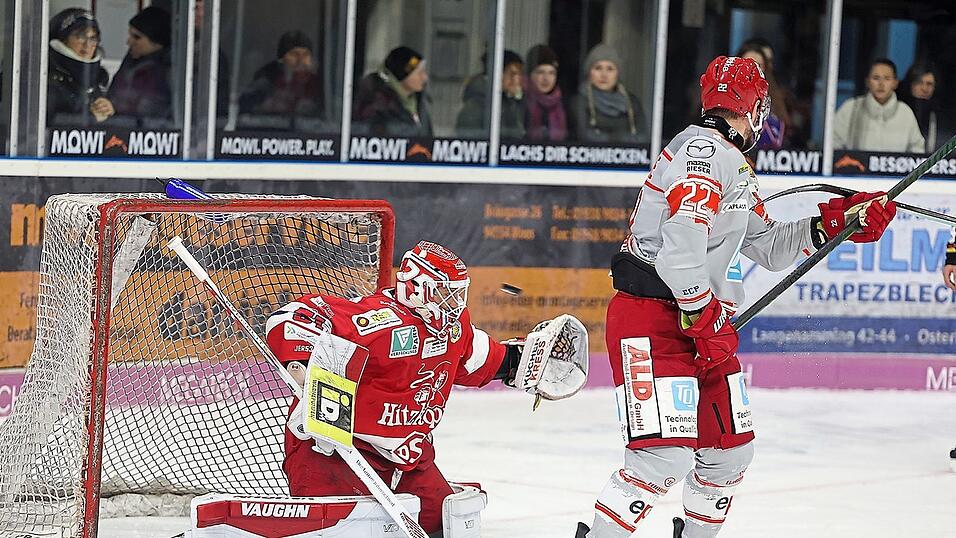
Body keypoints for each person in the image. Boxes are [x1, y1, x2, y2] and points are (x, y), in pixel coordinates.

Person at [577, 56, 896, 538]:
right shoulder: (703, 152)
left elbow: (766, 246)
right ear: (753, 105)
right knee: (661, 458)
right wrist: (705, 317)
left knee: (729, 450)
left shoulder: (732, 163)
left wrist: (835, 225)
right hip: (653, 319)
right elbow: (680, 247)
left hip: (696, 321)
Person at [265, 240, 587, 538]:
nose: (454, 304)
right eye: (446, 294)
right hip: (335, 454)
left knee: (448, 523)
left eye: (458, 294)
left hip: (409, 460)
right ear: (417, 288)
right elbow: (295, 316)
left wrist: (521, 363)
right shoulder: (377, 321)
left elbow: (485, 360)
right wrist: (300, 361)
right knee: (345, 531)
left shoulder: (455, 330)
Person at [833, 58, 924, 153]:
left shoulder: (905, 113)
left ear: (895, 83)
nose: (881, 84)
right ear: (867, 82)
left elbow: (917, 149)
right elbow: (833, 143)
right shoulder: (850, 108)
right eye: (876, 78)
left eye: (887, 79)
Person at [238, 31, 323, 124]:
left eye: (305, 55)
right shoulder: (268, 76)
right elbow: (248, 103)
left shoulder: (315, 82)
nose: (300, 60)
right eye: (294, 54)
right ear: (283, 58)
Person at [47, 8, 114, 126]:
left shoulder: (101, 78)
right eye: (81, 36)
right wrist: (88, 118)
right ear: (63, 39)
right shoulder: (44, 76)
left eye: (93, 38)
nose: (88, 44)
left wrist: (108, 109)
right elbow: (46, 121)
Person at [569, 43, 648, 144]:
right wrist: (619, 139)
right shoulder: (579, 102)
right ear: (589, 73)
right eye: (598, 68)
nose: (604, 75)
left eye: (610, 69)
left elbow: (643, 137)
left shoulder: (632, 103)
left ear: (618, 73)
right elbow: (583, 135)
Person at [107, 6, 173, 125]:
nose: (129, 42)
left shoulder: (169, 71)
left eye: (137, 37)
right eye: (130, 35)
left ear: (157, 42)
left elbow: (156, 114)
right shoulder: (130, 62)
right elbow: (113, 96)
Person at [352, 46, 432, 137]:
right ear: (403, 75)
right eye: (419, 73)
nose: (425, 78)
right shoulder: (377, 104)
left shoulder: (418, 102)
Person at [455, 49, 526, 140]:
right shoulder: (475, 106)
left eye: (519, 74)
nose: (517, 80)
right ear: (496, 74)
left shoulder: (510, 103)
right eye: (512, 74)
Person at [735, 42, 790, 150]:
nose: (753, 70)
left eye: (758, 65)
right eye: (747, 64)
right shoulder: (723, 98)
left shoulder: (775, 99)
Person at [524, 44, 566, 141]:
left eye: (551, 73)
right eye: (540, 72)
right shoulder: (521, 100)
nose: (546, 78)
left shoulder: (562, 103)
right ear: (530, 74)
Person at [900, 61, 941, 153]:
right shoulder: (899, 111)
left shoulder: (940, 116)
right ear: (910, 84)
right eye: (919, 82)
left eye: (929, 84)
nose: (924, 88)